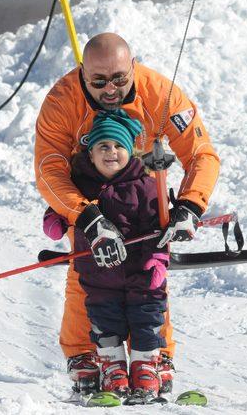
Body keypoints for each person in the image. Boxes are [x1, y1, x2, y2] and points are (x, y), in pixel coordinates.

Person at [34, 32, 220, 394]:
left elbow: (202, 154)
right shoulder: (62, 101)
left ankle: (155, 352)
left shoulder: (160, 94)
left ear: (132, 67)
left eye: (119, 78)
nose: (110, 89)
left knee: (150, 275)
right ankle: (85, 351)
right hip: (89, 195)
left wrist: (190, 205)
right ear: (82, 73)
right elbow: (49, 168)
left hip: (143, 196)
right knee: (87, 267)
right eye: (98, 81)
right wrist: (85, 217)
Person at [44, 110, 170, 397]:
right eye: (103, 146)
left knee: (147, 323)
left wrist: (157, 262)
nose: (111, 152)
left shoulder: (147, 187)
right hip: (99, 279)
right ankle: (113, 371)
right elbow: (59, 215)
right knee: (105, 327)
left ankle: (145, 369)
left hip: (142, 276)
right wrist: (56, 219)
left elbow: (159, 230)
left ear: (131, 151)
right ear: (91, 154)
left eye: (118, 146)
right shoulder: (79, 188)